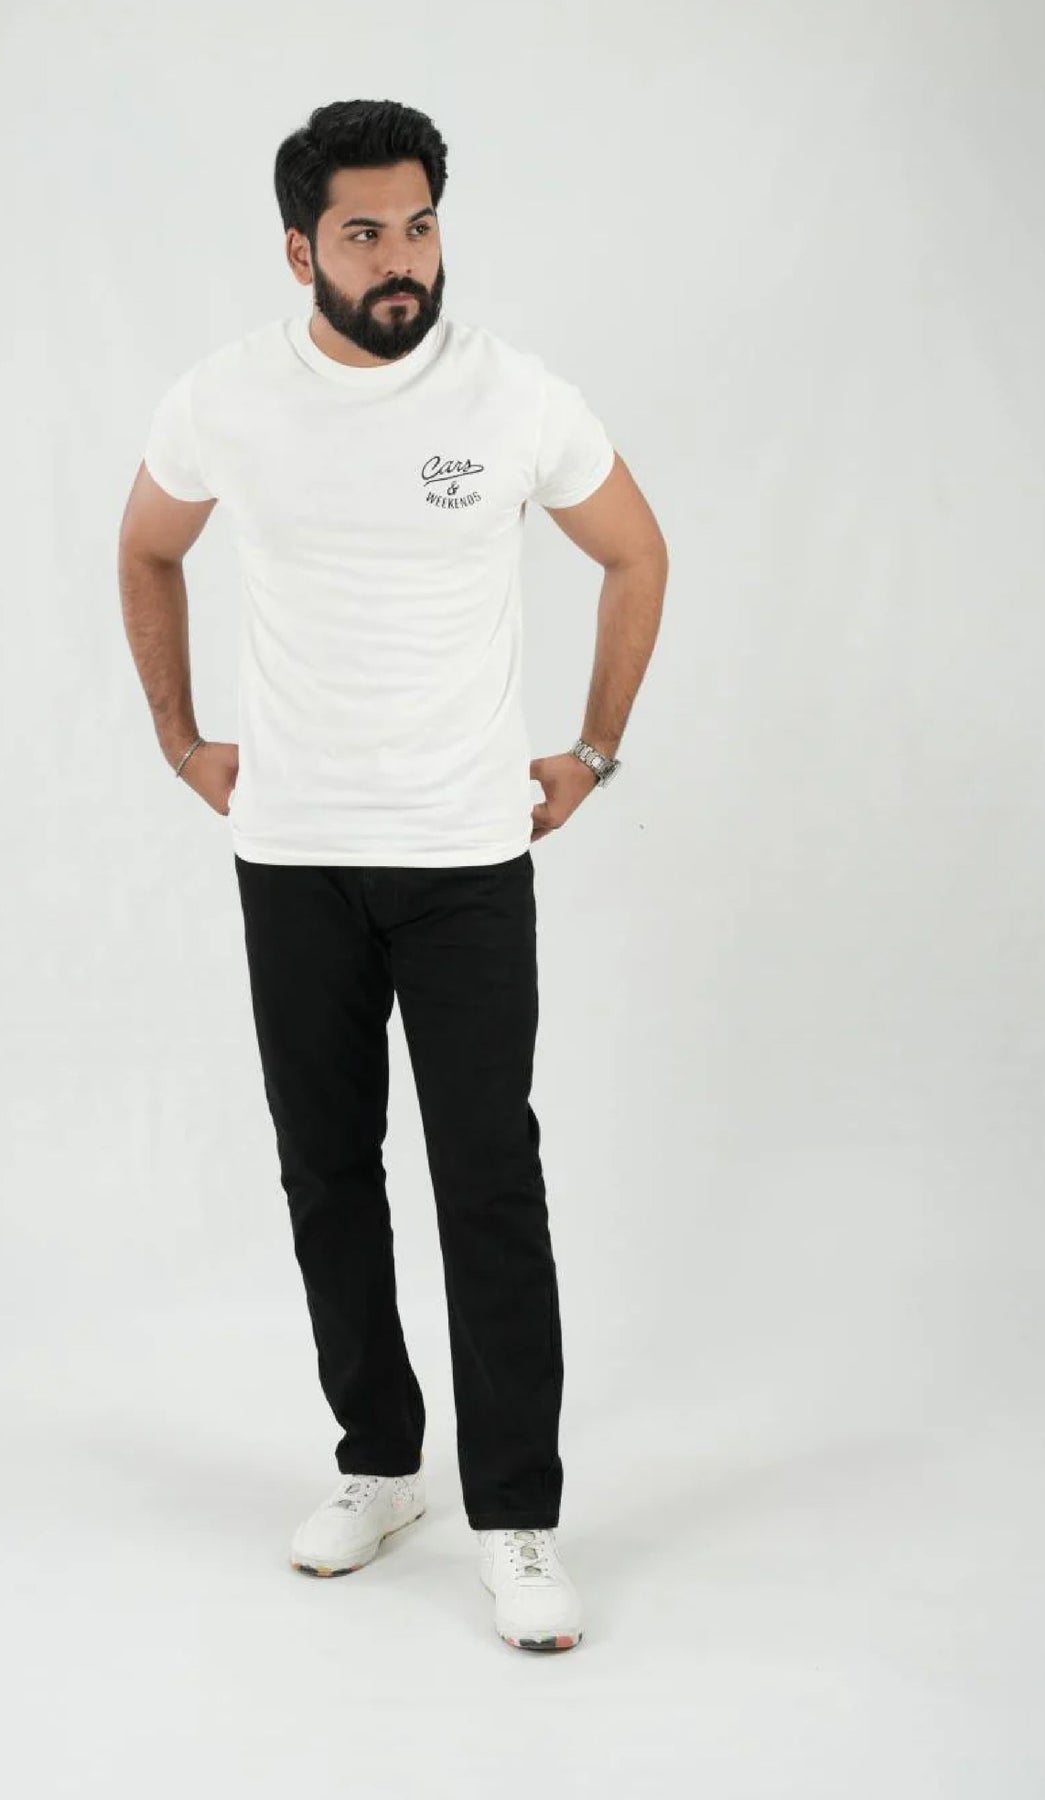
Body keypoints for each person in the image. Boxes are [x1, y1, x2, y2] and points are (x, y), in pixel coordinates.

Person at [117, 98, 668, 1652]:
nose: (398, 258)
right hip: (293, 854)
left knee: (486, 1178)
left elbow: (635, 552)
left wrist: (593, 750)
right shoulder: (227, 398)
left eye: (417, 224)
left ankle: (516, 1518)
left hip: (464, 859)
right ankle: (376, 1462)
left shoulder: (514, 397)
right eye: (362, 233)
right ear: (300, 249)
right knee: (326, 1167)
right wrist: (180, 740)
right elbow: (146, 547)